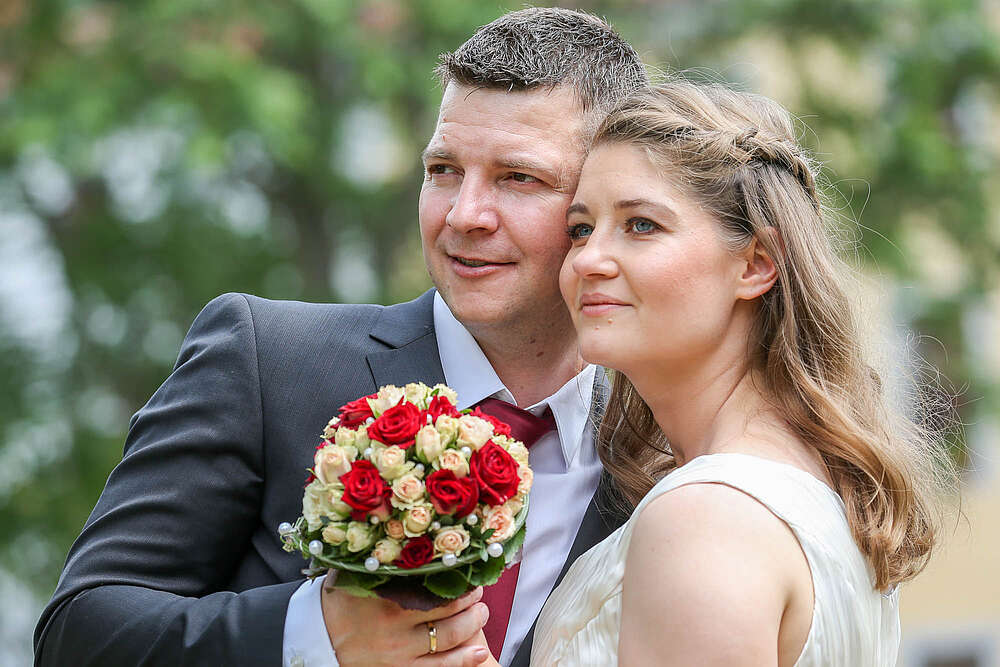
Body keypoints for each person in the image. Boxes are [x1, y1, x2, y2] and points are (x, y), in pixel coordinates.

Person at [32, 8, 648, 667]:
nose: (463, 214)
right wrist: (315, 632)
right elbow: (77, 633)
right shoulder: (267, 359)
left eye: (518, 178)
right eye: (443, 169)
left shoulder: (654, 456)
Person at [520, 80, 955, 665]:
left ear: (755, 265)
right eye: (580, 229)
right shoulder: (808, 491)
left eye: (641, 225)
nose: (588, 260)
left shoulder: (707, 519)